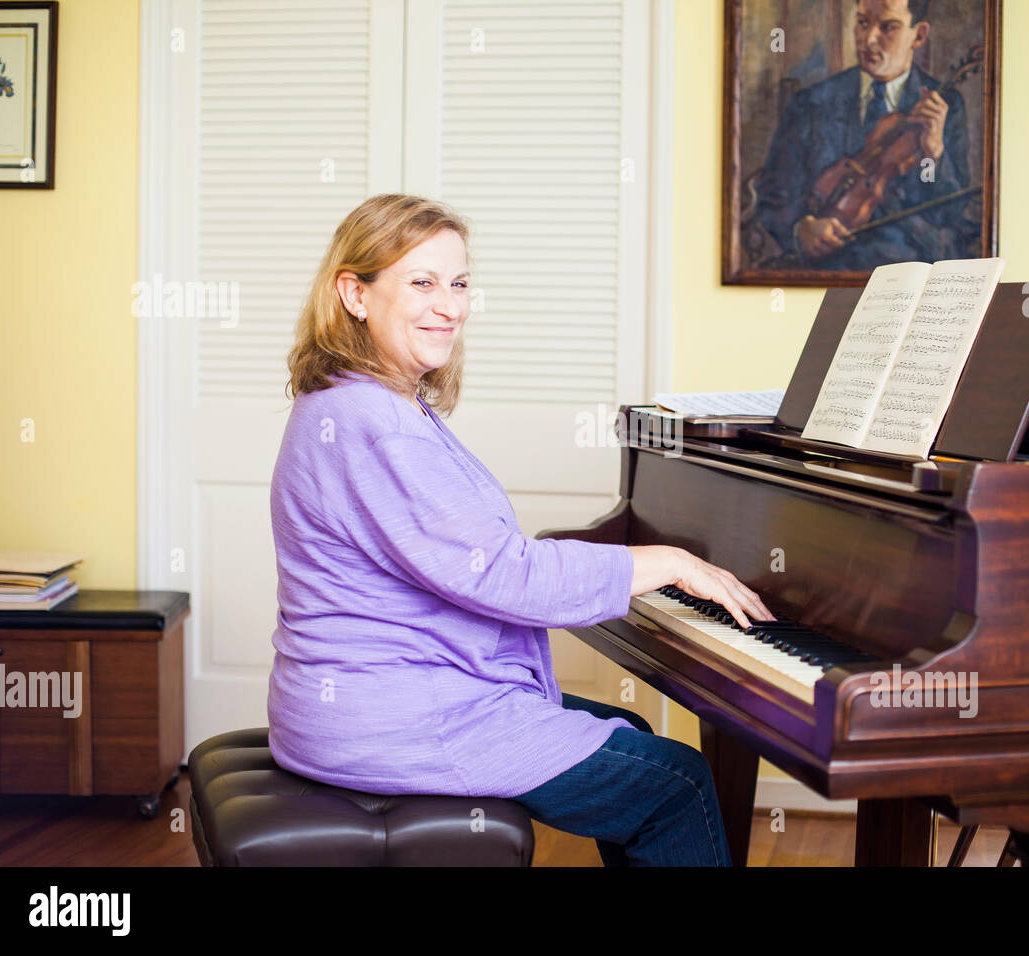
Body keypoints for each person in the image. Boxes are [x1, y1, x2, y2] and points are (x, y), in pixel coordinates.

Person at [267, 193, 773, 866]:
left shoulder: (352, 400)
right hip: (398, 722)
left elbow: (473, 561)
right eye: (421, 282)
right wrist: (670, 563)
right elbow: (502, 574)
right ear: (354, 294)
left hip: (373, 705)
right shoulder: (376, 422)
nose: (450, 306)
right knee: (675, 785)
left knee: (627, 728)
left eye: (459, 283)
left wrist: (635, 566)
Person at [755, 0, 976, 269]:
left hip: (914, 272)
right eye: (862, 23)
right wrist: (801, 229)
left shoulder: (946, 107)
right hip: (828, 273)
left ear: (918, 35)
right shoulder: (810, 103)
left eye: (888, 27)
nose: (869, 39)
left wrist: (933, 152)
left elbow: (949, 213)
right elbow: (774, 193)